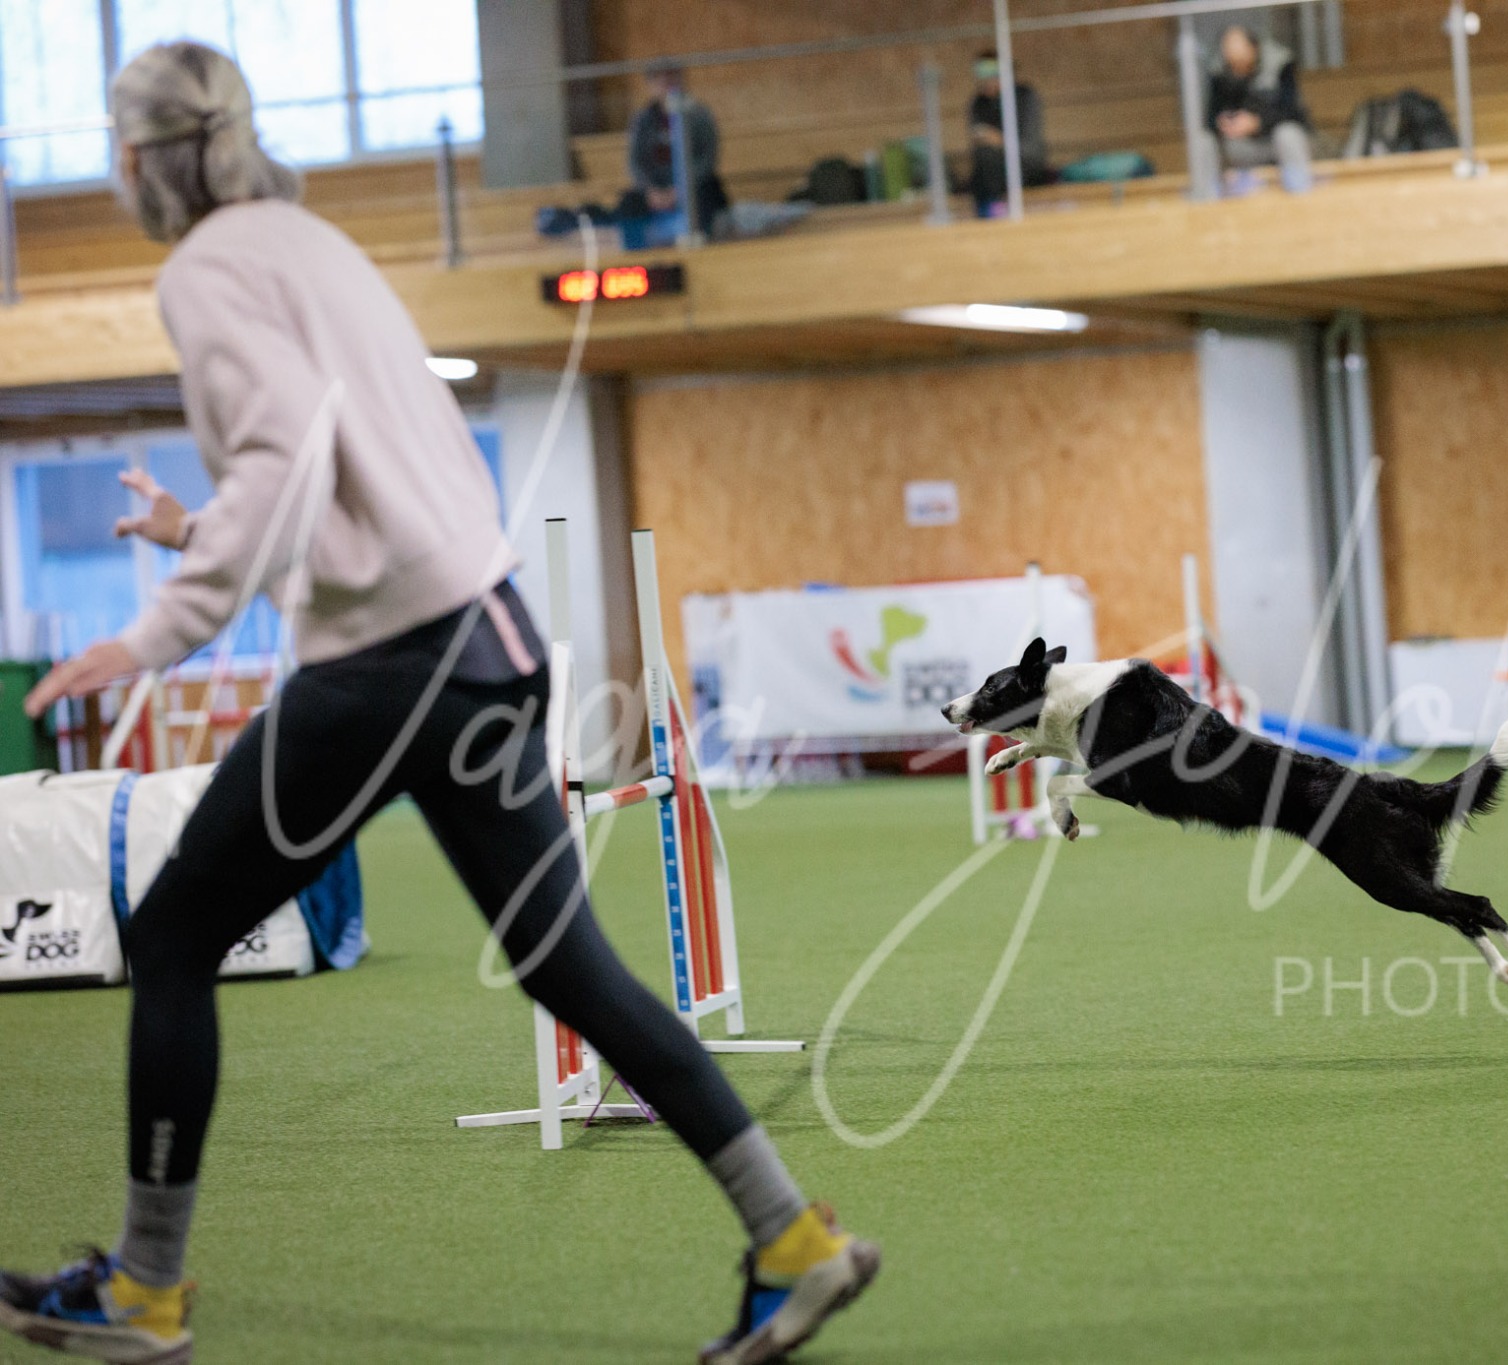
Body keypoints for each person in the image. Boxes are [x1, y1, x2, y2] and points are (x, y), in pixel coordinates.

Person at [0, 42, 876, 1365]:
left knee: (173, 936)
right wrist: (196, 533)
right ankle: (790, 1237)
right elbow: (346, 468)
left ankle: (145, 1291)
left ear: (138, 160)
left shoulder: (205, 269)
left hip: (384, 668)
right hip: (489, 638)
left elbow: (285, 459)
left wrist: (156, 632)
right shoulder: (315, 245)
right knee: (568, 966)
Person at [1195, 25, 1314, 196]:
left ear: (1253, 49)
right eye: (1233, 63)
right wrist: (1224, 123)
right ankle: (1207, 196)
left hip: (1275, 143)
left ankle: (1300, 190)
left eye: (1241, 61)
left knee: (1288, 133)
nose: (1238, 67)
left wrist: (1257, 123)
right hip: (1239, 148)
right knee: (1204, 140)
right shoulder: (1219, 74)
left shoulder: (1279, 65)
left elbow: (1293, 112)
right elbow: (1210, 118)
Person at [626, 62, 731, 236]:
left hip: (695, 184)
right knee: (629, 204)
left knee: (707, 198)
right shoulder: (643, 119)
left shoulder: (699, 114)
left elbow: (707, 159)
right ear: (651, 85)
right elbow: (636, 161)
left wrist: (682, 189)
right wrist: (651, 191)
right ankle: (641, 245)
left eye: (671, 78)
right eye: (660, 80)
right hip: (657, 187)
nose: (666, 84)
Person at [966, 50, 1057, 217]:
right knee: (983, 163)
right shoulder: (979, 103)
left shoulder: (1024, 97)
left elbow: (1031, 150)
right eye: (981, 75)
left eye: (991, 74)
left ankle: (995, 209)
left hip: (1027, 166)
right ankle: (989, 210)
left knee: (989, 162)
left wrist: (999, 140)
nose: (985, 81)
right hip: (991, 170)